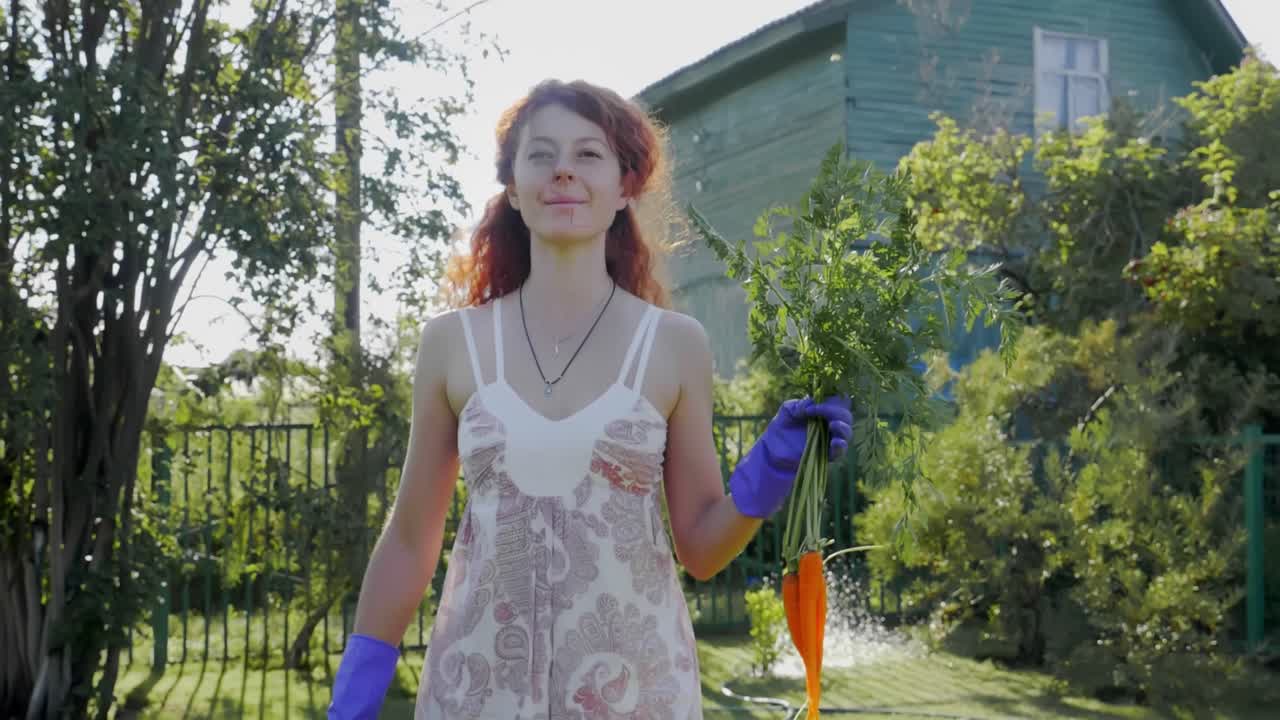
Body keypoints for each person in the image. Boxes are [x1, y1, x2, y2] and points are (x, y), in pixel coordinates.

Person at [328, 79, 852, 719]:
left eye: (589, 155)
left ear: (626, 187)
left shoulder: (675, 346)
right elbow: (411, 542)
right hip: (478, 694)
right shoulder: (450, 344)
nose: (564, 172)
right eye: (541, 155)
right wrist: (354, 695)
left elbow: (701, 549)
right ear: (514, 188)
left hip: (640, 694)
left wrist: (767, 475)